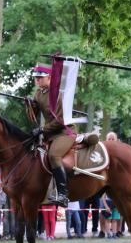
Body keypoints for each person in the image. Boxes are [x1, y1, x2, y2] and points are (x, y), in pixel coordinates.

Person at [29, 64, 100, 207]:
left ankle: (62, 193)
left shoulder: (58, 94)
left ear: (49, 78)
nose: (37, 80)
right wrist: (30, 106)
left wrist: (42, 129)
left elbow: (61, 120)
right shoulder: (38, 93)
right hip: (50, 134)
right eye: (36, 77)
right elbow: (33, 117)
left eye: (40, 77)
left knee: (54, 155)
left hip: (64, 132)